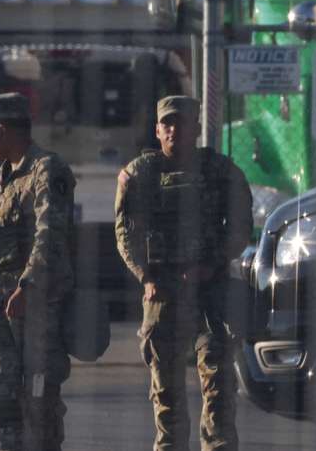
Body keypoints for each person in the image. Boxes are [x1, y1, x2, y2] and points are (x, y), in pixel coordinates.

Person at [114, 95, 253, 451]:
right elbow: (125, 233)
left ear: (197, 128)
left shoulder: (221, 171)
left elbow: (241, 227)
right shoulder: (140, 173)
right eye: (168, 123)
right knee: (167, 394)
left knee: (220, 388)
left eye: (184, 122)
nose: (175, 129)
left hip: (210, 294)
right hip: (163, 294)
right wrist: (145, 277)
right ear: (157, 129)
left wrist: (212, 264)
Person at [0, 92, 75, 451]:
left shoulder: (47, 170)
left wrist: (28, 285)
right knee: (1, 386)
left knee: (39, 392)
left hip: (34, 300)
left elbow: (50, 232)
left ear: (3, 128)